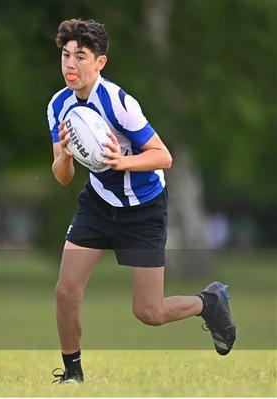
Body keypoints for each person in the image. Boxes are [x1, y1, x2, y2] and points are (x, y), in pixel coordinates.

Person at [47, 19, 236, 384]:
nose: (70, 64)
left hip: (144, 208)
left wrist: (122, 162)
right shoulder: (58, 106)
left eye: (80, 56)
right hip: (98, 203)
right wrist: (66, 155)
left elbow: (163, 156)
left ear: (100, 62)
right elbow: (62, 176)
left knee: (149, 312)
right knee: (65, 291)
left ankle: (210, 303)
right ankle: (73, 374)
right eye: (66, 55)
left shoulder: (119, 103)